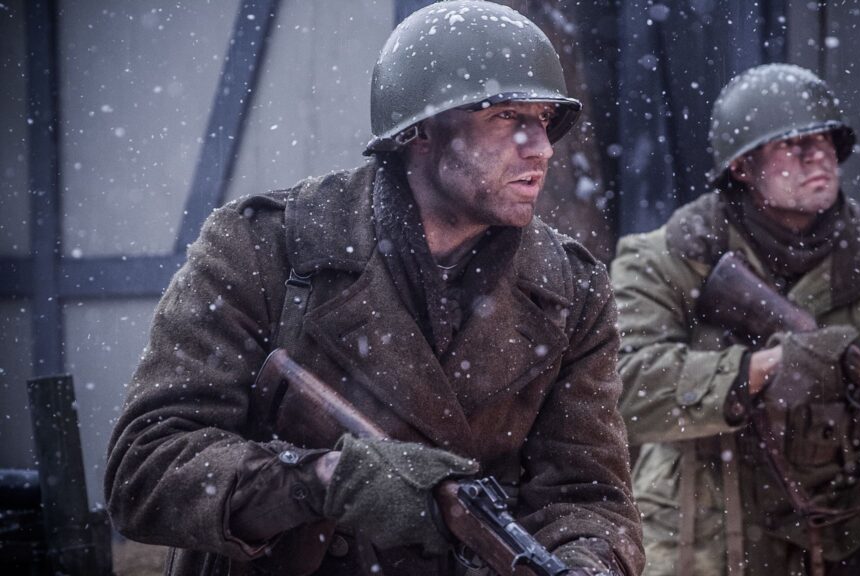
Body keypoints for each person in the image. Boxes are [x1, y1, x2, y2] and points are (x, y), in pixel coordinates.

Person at [105, 2, 643, 575]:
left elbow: (589, 499)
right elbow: (145, 469)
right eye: (507, 115)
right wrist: (321, 481)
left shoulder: (570, 290)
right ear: (420, 132)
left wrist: (585, 564)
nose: (541, 147)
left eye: (543, 120)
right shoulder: (265, 248)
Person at [611, 63, 860, 575]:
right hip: (696, 546)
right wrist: (766, 368)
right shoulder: (661, 259)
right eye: (790, 143)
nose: (816, 154)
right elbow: (620, 391)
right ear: (741, 167)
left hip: (838, 539)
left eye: (824, 139)